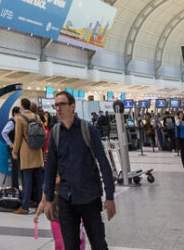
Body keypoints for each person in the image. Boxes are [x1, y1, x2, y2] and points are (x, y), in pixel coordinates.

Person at [43, 90, 117, 250]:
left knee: (98, 244)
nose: (58, 109)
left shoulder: (87, 129)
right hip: (65, 198)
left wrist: (110, 196)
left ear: (72, 106)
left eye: (62, 104)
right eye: (56, 105)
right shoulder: (55, 133)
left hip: (89, 197)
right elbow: (50, 168)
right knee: (70, 246)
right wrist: (48, 199)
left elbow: (103, 163)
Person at [12, 98, 45, 214]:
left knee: (27, 182)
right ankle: (41, 206)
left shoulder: (20, 119)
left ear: (22, 106)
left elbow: (17, 138)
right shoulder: (37, 117)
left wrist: (15, 152)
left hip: (27, 152)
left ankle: (25, 207)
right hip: (38, 152)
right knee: (40, 182)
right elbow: (44, 133)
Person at [3, 107, 20, 190]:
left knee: (17, 166)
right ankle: (15, 187)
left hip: (17, 147)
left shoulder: (17, 122)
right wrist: (10, 143)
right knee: (15, 166)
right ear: (15, 114)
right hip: (13, 148)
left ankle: (16, 186)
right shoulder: (11, 122)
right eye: (19, 113)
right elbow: (4, 132)